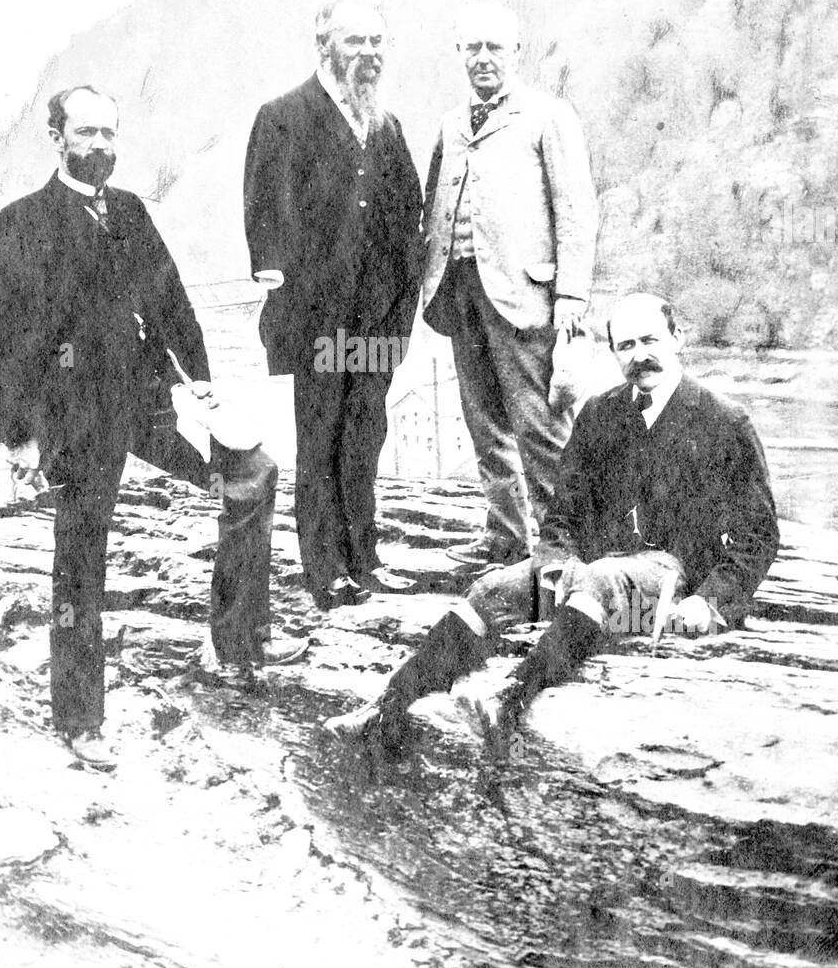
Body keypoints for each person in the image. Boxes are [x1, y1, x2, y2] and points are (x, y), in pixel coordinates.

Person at [0, 86, 295, 769]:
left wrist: (201, 379)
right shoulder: (19, 222)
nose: (100, 145)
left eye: (108, 133)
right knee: (81, 564)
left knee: (253, 475)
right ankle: (80, 717)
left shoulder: (130, 210)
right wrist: (18, 434)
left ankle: (235, 644)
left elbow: (171, 298)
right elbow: (4, 339)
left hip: (149, 404)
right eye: (85, 132)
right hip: (76, 419)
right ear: (56, 138)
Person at [327, 292, 781, 751]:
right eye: (626, 346)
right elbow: (563, 511)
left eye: (650, 341)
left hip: (673, 581)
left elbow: (759, 537)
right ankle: (386, 707)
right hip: (593, 568)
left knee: (601, 579)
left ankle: (508, 701)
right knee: (493, 589)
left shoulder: (724, 421)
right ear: (612, 352)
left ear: (677, 338)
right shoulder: (600, 412)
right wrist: (555, 563)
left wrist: (709, 601)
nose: (639, 355)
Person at [243, 0, 423, 610]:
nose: (368, 53)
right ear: (324, 46)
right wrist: (285, 305)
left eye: (377, 41)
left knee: (365, 432)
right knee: (319, 439)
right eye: (354, 41)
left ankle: (365, 559)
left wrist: (401, 305)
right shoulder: (282, 117)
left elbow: (409, 217)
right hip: (318, 321)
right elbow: (266, 216)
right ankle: (326, 571)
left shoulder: (387, 124)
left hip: (377, 321)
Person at [421, 3, 598, 568]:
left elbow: (576, 211)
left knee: (541, 426)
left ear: (517, 52)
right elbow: (434, 205)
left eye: (494, 47)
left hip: (527, 299)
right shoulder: (451, 124)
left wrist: (571, 296)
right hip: (460, 293)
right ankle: (504, 536)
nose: (483, 58)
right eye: (472, 48)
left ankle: (562, 543)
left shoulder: (549, 116)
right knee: (484, 424)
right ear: (459, 54)